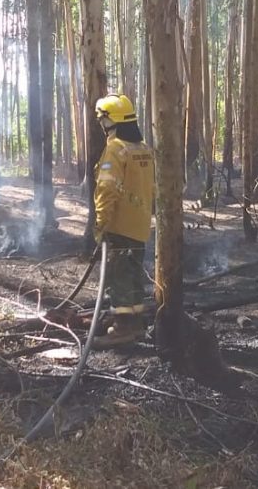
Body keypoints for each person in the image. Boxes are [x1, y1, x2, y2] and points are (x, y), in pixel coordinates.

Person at [92, 94, 155, 347]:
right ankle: (137, 321)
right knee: (133, 275)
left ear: (110, 120)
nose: (101, 124)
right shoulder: (143, 149)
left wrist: (101, 223)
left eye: (102, 119)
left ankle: (123, 328)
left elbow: (108, 189)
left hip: (118, 225)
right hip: (139, 226)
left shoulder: (116, 149)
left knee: (117, 278)